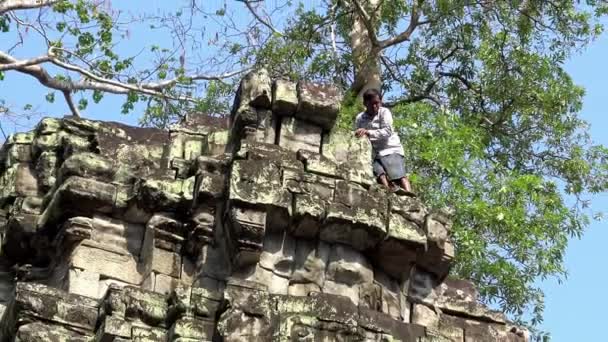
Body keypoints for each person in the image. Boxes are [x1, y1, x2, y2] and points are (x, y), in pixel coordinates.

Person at [354, 88, 413, 193]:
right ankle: (388, 194)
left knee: (398, 175)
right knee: (380, 174)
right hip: (375, 153)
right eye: (371, 104)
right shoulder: (360, 118)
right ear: (365, 103)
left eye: (377, 103)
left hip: (391, 148)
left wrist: (368, 132)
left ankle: (410, 196)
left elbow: (387, 131)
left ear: (380, 102)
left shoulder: (384, 112)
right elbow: (358, 135)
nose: (374, 106)